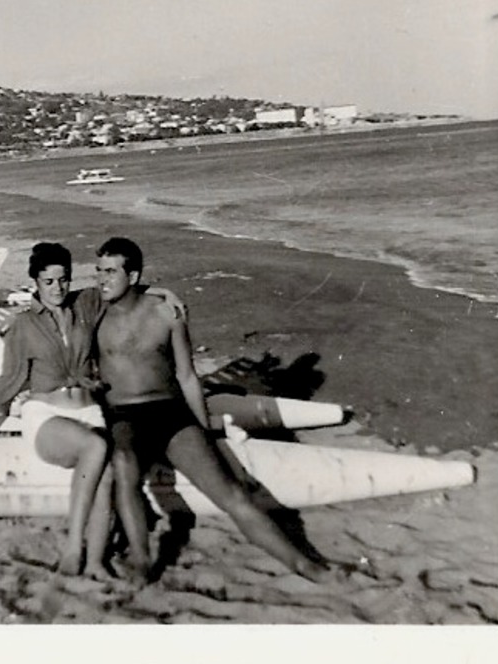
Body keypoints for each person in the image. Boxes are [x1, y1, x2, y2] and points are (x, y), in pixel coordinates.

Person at [94, 236, 343, 584]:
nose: (101, 279)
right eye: (98, 271)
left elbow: (186, 376)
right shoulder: (92, 312)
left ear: (132, 276)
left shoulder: (167, 314)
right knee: (125, 463)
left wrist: (204, 431)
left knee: (232, 493)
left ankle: (304, 564)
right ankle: (141, 557)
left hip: (170, 413)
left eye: (110, 272)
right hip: (125, 416)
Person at [0, 242, 113, 577]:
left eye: (63, 280)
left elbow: (122, 287)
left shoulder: (85, 305)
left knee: (108, 476)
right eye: (49, 281)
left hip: (89, 410)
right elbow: (9, 381)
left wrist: (164, 294)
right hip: (46, 415)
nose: (57, 288)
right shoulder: (23, 325)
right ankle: (73, 550)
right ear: (35, 282)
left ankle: (97, 562)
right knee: (97, 446)